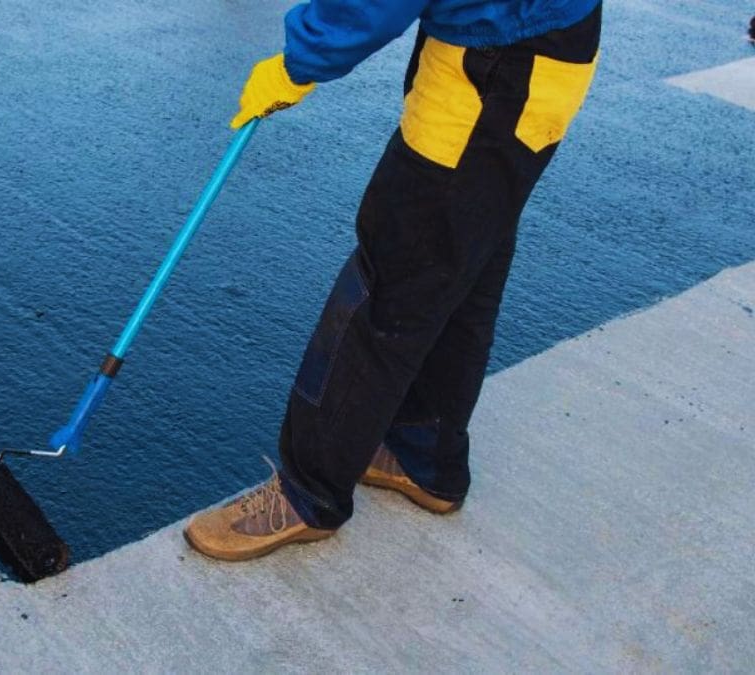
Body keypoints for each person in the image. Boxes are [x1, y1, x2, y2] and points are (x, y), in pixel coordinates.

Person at [185, 0, 603, 561]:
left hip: (493, 69)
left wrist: (300, 60)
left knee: (391, 282)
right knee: (463, 267)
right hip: (541, 51)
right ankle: (423, 452)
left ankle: (309, 494)